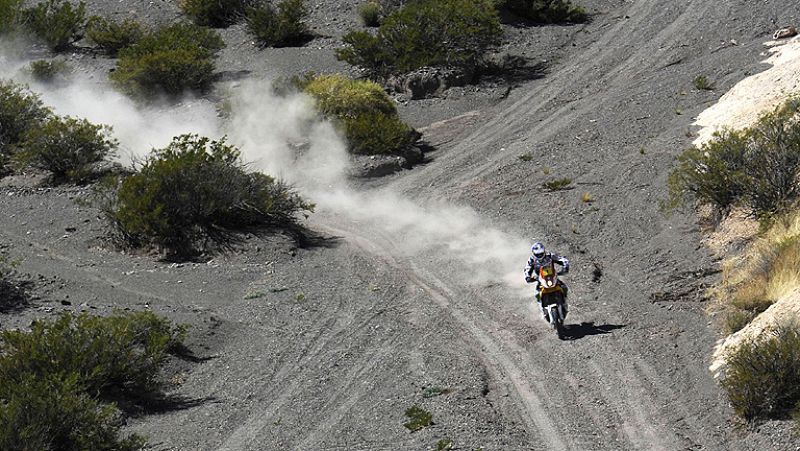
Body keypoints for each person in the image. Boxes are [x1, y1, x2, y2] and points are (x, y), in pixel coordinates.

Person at [524, 242, 570, 321]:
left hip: (552, 277)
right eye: (537, 254)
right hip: (541, 279)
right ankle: (542, 310)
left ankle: (565, 303)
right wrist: (528, 277)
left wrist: (565, 267)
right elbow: (527, 269)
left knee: (564, 287)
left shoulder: (550, 256)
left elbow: (562, 259)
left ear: (544, 251)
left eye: (541, 253)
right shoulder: (531, 259)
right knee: (537, 294)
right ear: (534, 253)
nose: (539, 255)